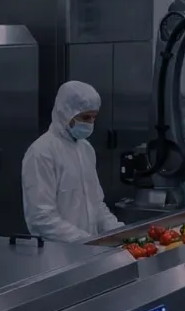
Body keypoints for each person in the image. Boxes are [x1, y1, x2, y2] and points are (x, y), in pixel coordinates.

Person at [21, 81, 123, 242]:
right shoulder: (41, 152)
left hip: (88, 249)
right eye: (85, 117)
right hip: (56, 253)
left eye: (93, 117)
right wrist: (84, 241)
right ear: (65, 112)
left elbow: (96, 205)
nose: (90, 123)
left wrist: (121, 233)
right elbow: (41, 217)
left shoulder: (85, 149)